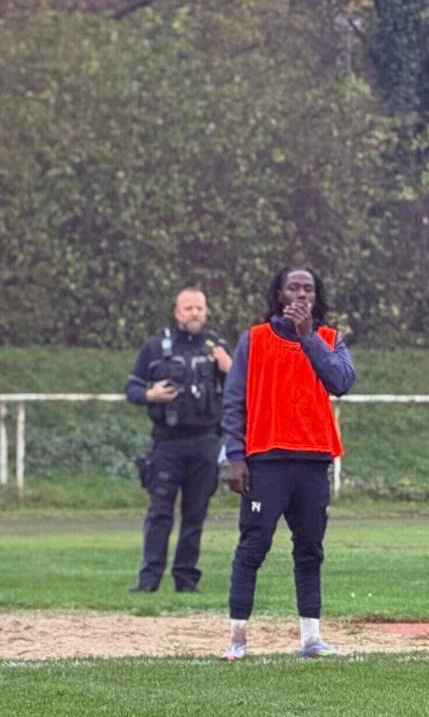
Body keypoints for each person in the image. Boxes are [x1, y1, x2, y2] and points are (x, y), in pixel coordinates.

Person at [221, 265, 356, 661]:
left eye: (308, 289)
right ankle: (237, 639)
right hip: (266, 459)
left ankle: (311, 639)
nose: (301, 295)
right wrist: (235, 456)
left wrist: (307, 337)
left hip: (313, 460)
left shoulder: (329, 339)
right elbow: (233, 401)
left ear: (316, 297)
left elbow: (341, 382)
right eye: (293, 288)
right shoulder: (254, 339)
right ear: (279, 295)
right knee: (253, 545)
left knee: (310, 549)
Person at [124, 287, 231, 593]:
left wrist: (228, 367)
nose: (194, 313)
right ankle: (148, 582)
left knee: (195, 514)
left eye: (199, 307)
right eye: (188, 308)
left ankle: (186, 581)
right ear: (177, 312)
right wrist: (150, 394)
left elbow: (242, 388)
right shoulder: (156, 346)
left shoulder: (218, 348)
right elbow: (131, 388)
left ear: (206, 311)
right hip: (167, 443)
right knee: (159, 513)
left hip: (206, 442)